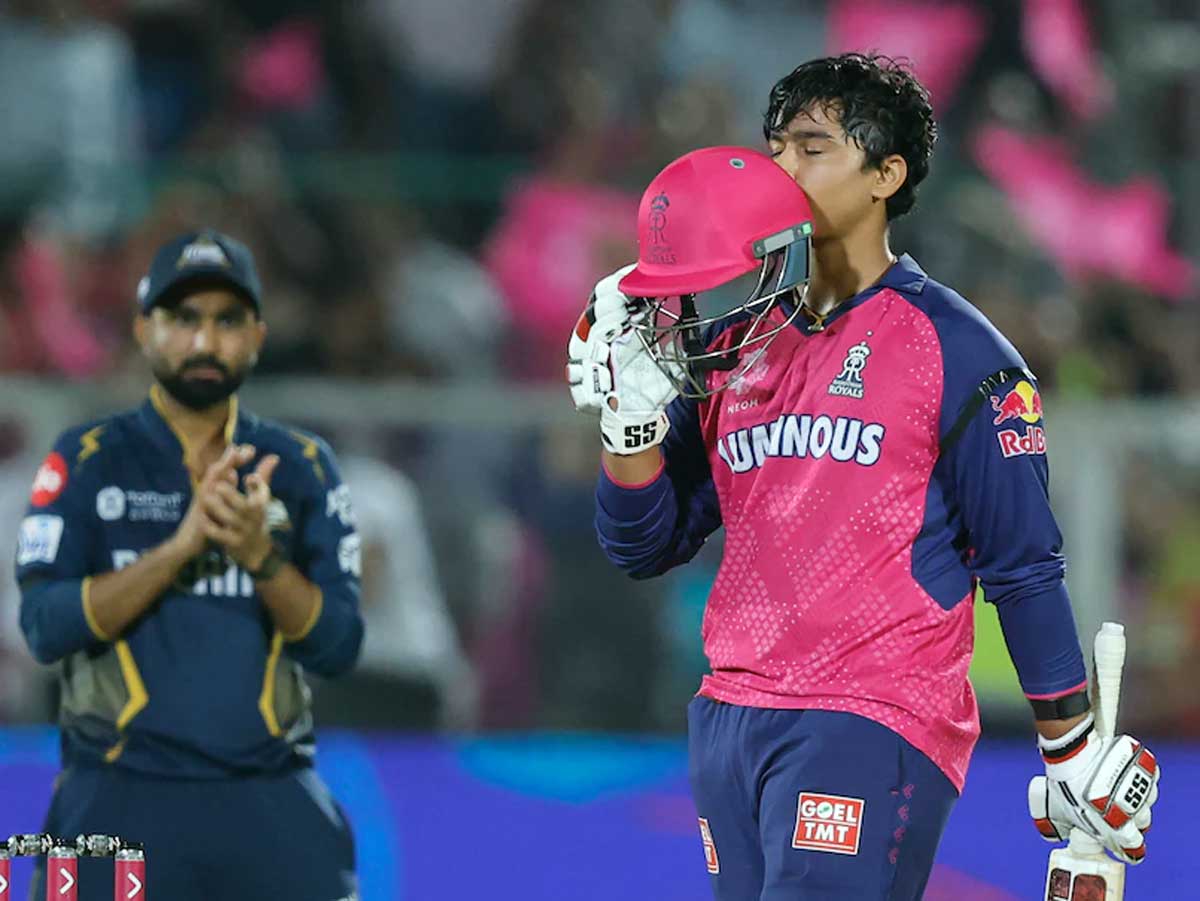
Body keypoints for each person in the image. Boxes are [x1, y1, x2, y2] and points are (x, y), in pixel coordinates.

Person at [566, 54, 1161, 900]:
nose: (783, 169)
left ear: (888, 174)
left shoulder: (960, 350)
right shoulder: (734, 344)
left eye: (813, 148)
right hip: (730, 715)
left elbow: (1024, 563)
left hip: (873, 712)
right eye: (776, 148)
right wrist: (628, 428)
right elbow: (644, 545)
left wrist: (1068, 745)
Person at [14, 229, 363, 901]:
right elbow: (44, 627)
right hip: (117, 795)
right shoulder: (87, 459)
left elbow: (338, 644)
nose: (205, 341)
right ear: (144, 329)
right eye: (183, 318)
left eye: (228, 320)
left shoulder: (301, 467)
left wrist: (260, 558)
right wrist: (180, 549)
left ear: (257, 336)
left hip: (267, 799)